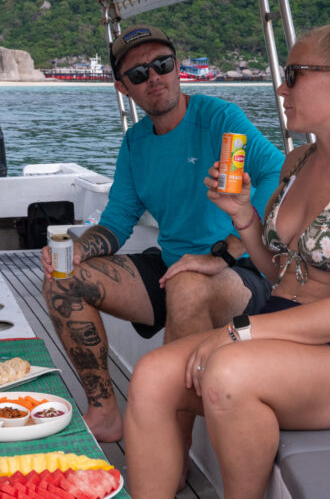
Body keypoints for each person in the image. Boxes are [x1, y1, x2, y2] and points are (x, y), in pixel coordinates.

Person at [125, 14, 330, 498]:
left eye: (294, 75)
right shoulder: (297, 162)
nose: (282, 89)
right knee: (151, 376)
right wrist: (243, 216)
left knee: (227, 372)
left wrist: (234, 333)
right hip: (278, 331)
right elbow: (282, 273)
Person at [40, 24, 285, 442]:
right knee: (62, 279)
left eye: (163, 64)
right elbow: (117, 221)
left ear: (177, 67)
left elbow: (277, 173)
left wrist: (226, 252)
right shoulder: (135, 143)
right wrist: (80, 249)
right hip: (172, 268)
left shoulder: (219, 119)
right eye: (139, 73)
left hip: (242, 271)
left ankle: (173, 445)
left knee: (187, 285)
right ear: (123, 88)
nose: (154, 76)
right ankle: (104, 413)